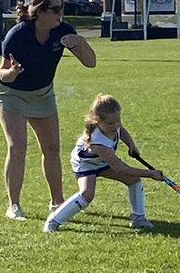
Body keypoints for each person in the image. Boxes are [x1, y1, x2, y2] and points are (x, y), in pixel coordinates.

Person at [0, 0, 96, 220]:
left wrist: (79, 42)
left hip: (42, 93)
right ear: (39, 11)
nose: (60, 13)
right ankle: (14, 206)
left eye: (62, 8)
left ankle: (57, 202)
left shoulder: (63, 31)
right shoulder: (18, 34)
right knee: (17, 146)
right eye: (55, 9)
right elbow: (2, 73)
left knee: (51, 148)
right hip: (11, 93)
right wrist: (14, 72)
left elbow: (91, 63)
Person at [43, 94, 162, 232]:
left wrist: (131, 145)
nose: (115, 125)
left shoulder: (112, 123)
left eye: (117, 121)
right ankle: (54, 220)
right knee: (87, 194)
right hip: (86, 164)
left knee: (134, 180)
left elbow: (121, 130)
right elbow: (120, 167)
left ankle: (139, 219)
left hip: (103, 161)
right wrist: (150, 174)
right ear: (97, 120)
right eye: (111, 123)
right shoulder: (97, 142)